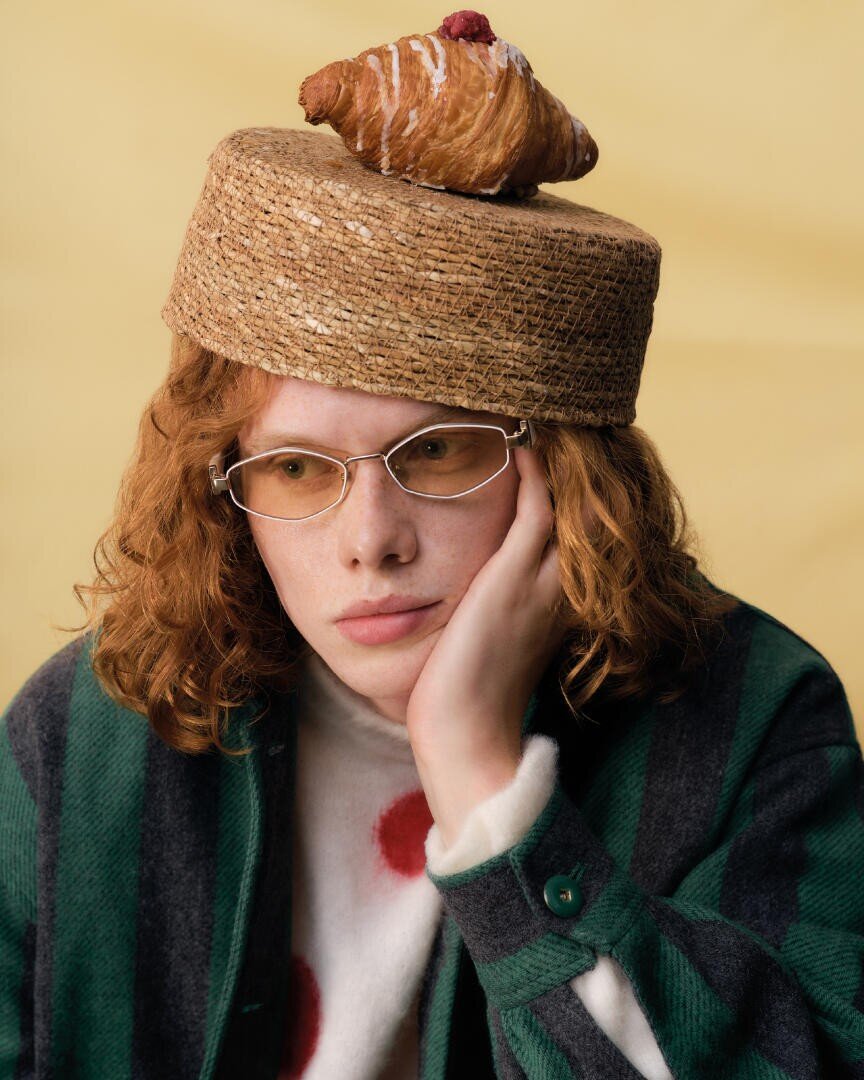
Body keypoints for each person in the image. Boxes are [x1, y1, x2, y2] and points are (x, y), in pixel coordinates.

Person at [2, 124, 862, 1080]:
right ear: (225, 491)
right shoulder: (79, 738)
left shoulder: (758, 716)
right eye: (296, 468)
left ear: (562, 473)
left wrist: (485, 785)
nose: (371, 540)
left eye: (439, 451)